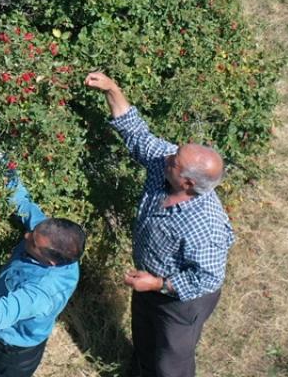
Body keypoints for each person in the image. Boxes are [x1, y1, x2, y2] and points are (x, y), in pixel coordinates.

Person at [83, 71, 234, 377]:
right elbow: (137, 134)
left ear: (188, 182)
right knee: (144, 338)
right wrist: (112, 89)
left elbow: (207, 278)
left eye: (174, 161)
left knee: (171, 361)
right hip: (148, 281)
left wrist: (159, 284)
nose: (167, 158)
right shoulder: (166, 166)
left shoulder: (204, 224)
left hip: (180, 300)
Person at [0, 167, 87, 377]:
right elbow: (23, 203)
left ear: (51, 262)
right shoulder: (50, 239)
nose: (26, 236)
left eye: (33, 242)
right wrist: (1, 159)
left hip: (11, 352)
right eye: (33, 232)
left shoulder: (41, 293)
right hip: (6, 333)